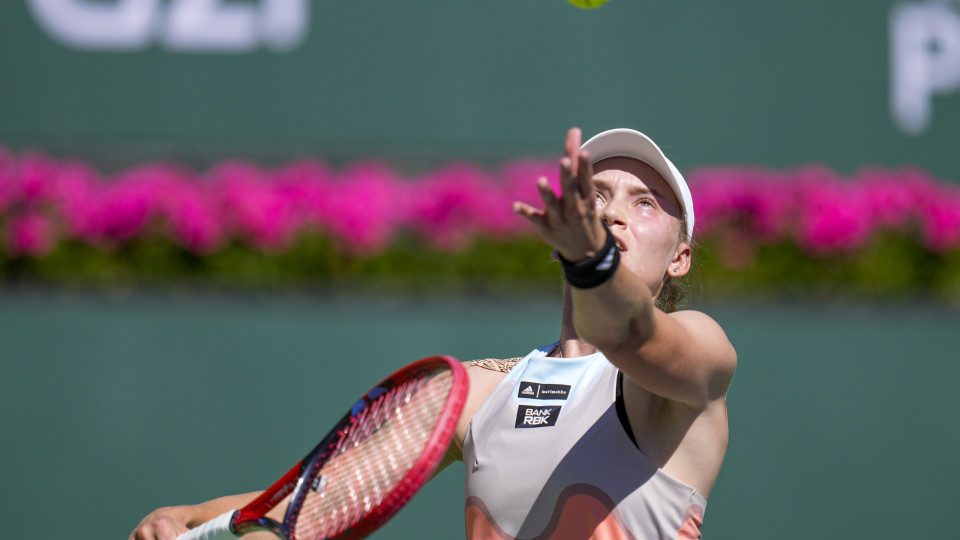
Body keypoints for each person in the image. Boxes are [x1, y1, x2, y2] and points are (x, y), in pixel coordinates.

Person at [130, 127, 736, 540]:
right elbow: (320, 497)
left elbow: (631, 330)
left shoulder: (694, 358)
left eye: (646, 203)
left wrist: (592, 264)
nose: (613, 211)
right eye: (596, 194)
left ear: (680, 257)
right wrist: (193, 518)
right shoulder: (479, 390)